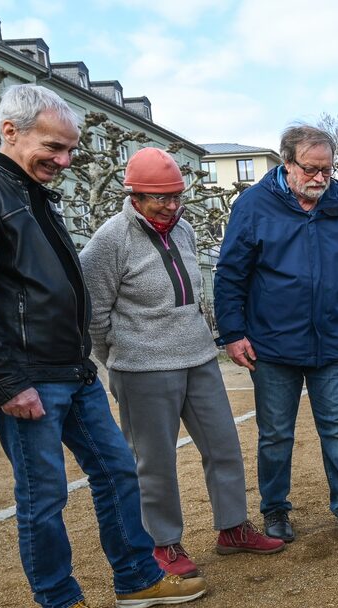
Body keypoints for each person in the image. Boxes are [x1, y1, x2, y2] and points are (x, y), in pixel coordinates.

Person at [0, 84, 206, 608]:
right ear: (9, 131)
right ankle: (59, 602)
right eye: (53, 147)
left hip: (70, 369)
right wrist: (7, 380)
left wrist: (83, 358)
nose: (63, 161)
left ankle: (135, 577)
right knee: (44, 496)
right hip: (28, 376)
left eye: (68, 152)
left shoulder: (35, 193)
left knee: (117, 470)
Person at [80, 148, 285, 579]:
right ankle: (163, 544)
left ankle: (232, 528)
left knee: (224, 447)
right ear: (134, 195)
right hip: (142, 367)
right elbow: (93, 314)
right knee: (153, 461)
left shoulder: (185, 230)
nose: (171, 206)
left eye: (177, 197)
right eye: (160, 198)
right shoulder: (109, 241)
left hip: (198, 358)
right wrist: (116, 358)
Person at [215, 124, 338, 548]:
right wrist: (233, 332)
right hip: (273, 345)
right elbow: (231, 273)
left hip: (334, 341)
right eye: (311, 169)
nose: (321, 178)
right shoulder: (252, 206)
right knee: (275, 434)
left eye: (327, 169)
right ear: (287, 164)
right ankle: (276, 509)